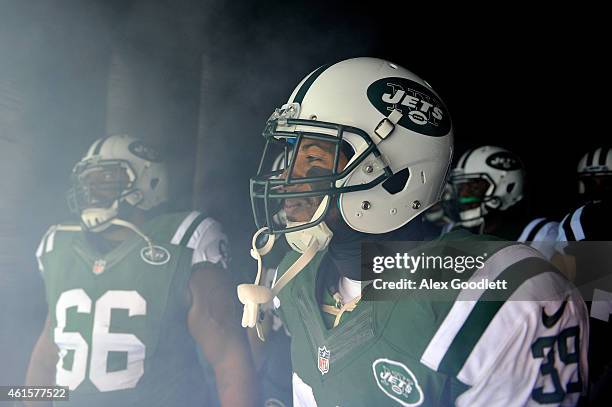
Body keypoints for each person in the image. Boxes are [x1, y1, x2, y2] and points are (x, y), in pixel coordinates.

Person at [238, 57, 588, 406]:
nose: (286, 180)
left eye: (313, 160)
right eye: (290, 157)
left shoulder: (500, 291)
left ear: (396, 176)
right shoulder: (298, 278)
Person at [25, 135, 258, 406]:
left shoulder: (181, 244)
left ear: (150, 181)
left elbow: (229, 361)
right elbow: (47, 355)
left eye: (106, 180)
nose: (91, 191)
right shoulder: (61, 247)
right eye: (88, 182)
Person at [449, 145, 559, 259]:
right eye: (462, 187)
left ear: (508, 186)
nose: (463, 195)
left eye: (474, 187)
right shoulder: (457, 233)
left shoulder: (540, 235)